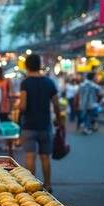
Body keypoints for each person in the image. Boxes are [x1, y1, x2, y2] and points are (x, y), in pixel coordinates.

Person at [19, 54, 63, 192]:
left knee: (30, 156)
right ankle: (48, 185)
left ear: (26, 66)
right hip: (45, 125)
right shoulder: (49, 82)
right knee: (45, 157)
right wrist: (60, 121)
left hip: (29, 125)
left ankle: (32, 187)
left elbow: (23, 106)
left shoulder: (25, 83)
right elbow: (56, 105)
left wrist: (17, 107)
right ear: (40, 65)